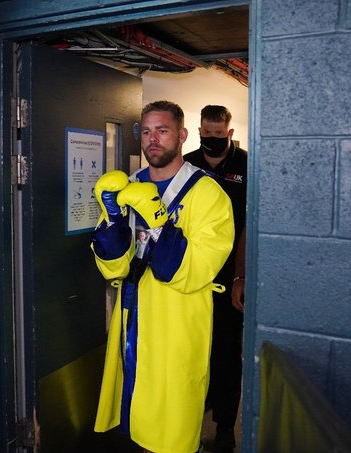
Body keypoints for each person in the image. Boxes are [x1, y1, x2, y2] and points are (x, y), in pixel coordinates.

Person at [91, 100, 235, 453]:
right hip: (132, 314)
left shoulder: (208, 193)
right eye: (146, 131)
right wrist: (113, 220)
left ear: (182, 136)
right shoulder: (129, 186)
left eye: (162, 130)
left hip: (177, 318)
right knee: (134, 407)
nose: (152, 139)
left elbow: (194, 269)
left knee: (173, 419)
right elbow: (113, 267)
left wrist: (158, 221)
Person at [184, 105, 247, 453]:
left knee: (226, 351)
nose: (211, 140)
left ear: (230, 133)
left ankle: (224, 426)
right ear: (198, 132)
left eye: (218, 135)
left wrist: (240, 276)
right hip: (191, 276)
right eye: (206, 134)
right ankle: (190, 420)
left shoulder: (246, 165)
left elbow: (248, 225)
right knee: (191, 350)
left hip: (229, 277)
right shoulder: (187, 165)